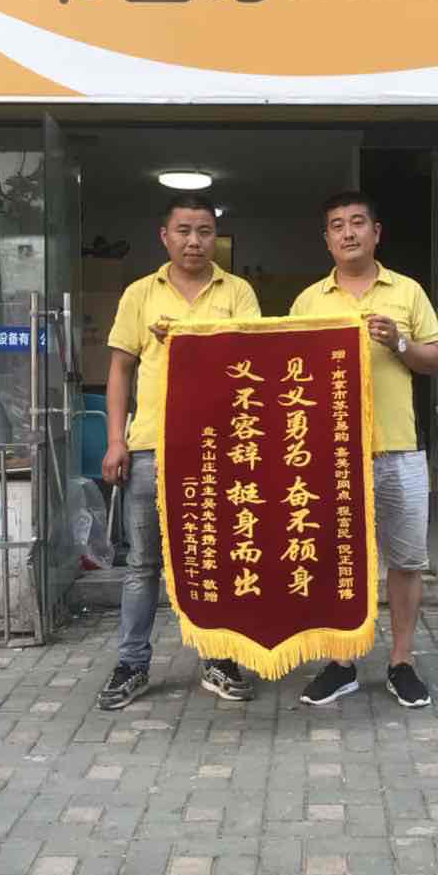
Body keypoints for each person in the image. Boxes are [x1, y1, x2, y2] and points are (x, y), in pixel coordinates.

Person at [98, 194, 261, 710]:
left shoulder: (238, 292)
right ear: (164, 236)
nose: (194, 241)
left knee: (218, 559)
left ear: (217, 238)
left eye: (204, 231)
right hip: (152, 447)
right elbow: (119, 371)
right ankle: (132, 664)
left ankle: (220, 658)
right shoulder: (140, 294)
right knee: (143, 564)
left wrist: (194, 338)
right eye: (184, 231)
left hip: (221, 451)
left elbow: (253, 361)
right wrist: (116, 440)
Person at [291, 191, 438, 708]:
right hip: (331, 457)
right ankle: (341, 662)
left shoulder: (407, 291)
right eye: (337, 225)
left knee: (405, 560)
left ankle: (402, 662)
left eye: (358, 222)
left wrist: (399, 342)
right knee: (337, 561)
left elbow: (436, 360)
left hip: (397, 449)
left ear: (376, 232)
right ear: (327, 239)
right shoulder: (309, 301)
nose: (348, 232)